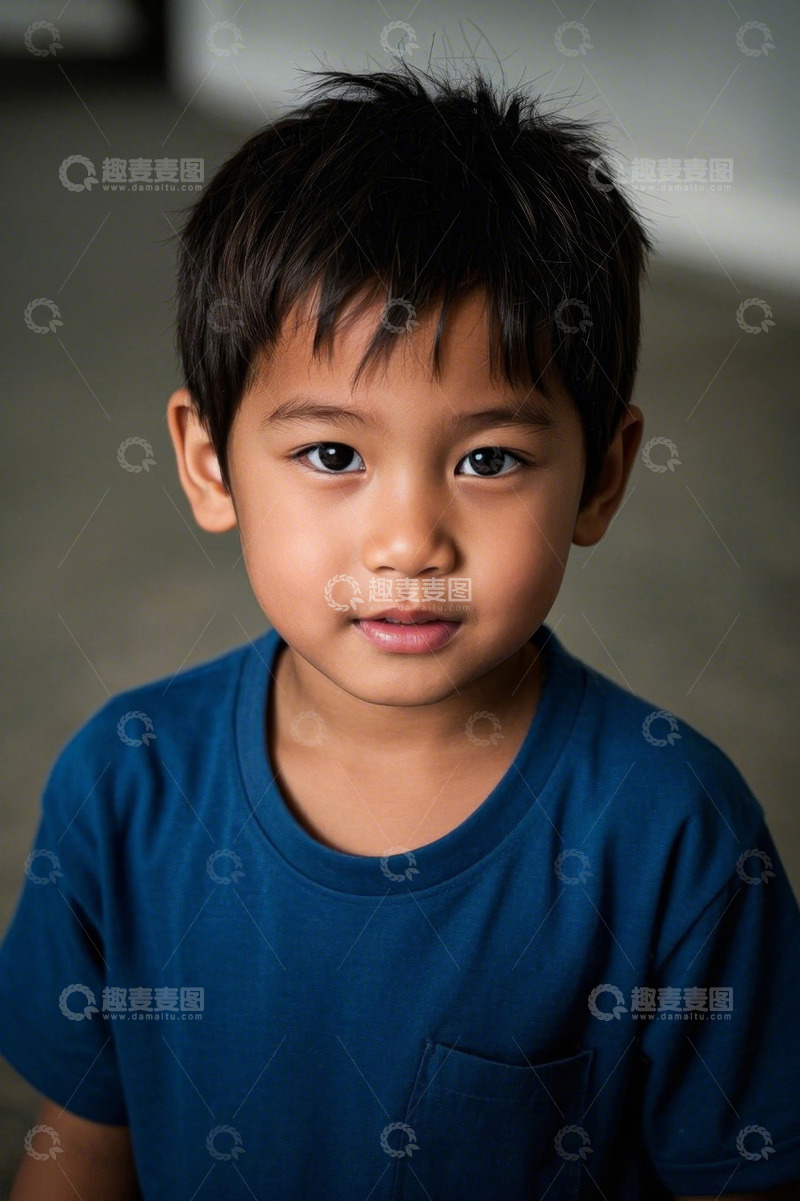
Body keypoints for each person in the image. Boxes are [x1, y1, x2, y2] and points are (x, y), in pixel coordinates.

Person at [1, 60, 798, 1201]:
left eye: (489, 459)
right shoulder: (123, 787)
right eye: (333, 453)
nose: (410, 542)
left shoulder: (674, 836)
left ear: (601, 477)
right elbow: (79, 1145)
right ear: (209, 464)